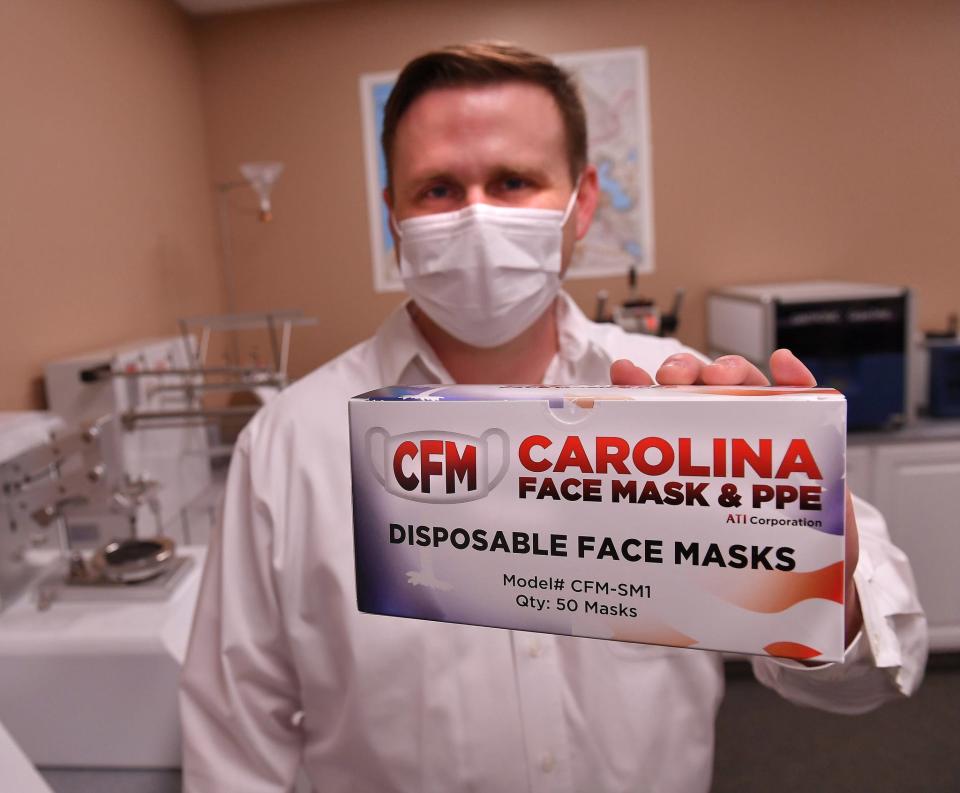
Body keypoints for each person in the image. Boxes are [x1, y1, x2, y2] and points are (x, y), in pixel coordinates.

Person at [181, 42, 927, 793]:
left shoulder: (680, 403)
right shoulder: (288, 446)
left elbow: (871, 678)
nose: (476, 216)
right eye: (437, 188)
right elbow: (236, 742)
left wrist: (817, 574)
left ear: (584, 199)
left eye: (513, 180)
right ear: (394, 216)